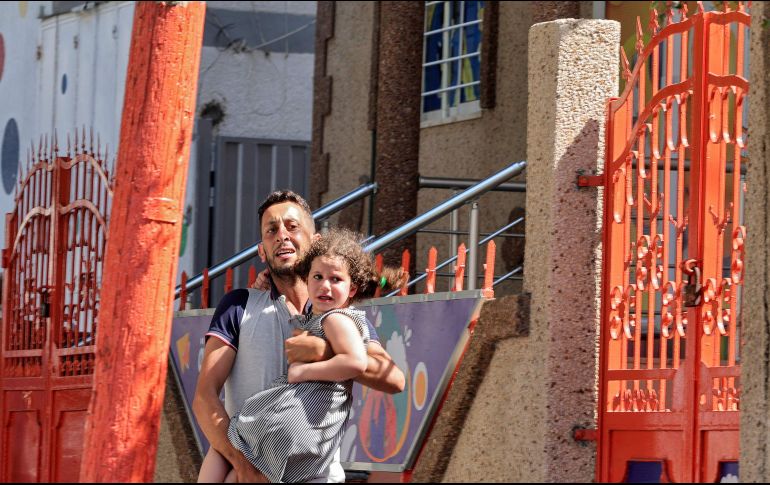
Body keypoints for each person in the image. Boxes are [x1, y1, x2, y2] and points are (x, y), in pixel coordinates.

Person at [192, 191, 406, 483]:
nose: (282, 235)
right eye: (271, 230)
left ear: (315, 242)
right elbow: (204, 398)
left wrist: (326, 352)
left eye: (292, 227)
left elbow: (394, 380)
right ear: (262, 250)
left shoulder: (341, 314)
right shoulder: (239, 305)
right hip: (252, 470)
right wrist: (245, 469)